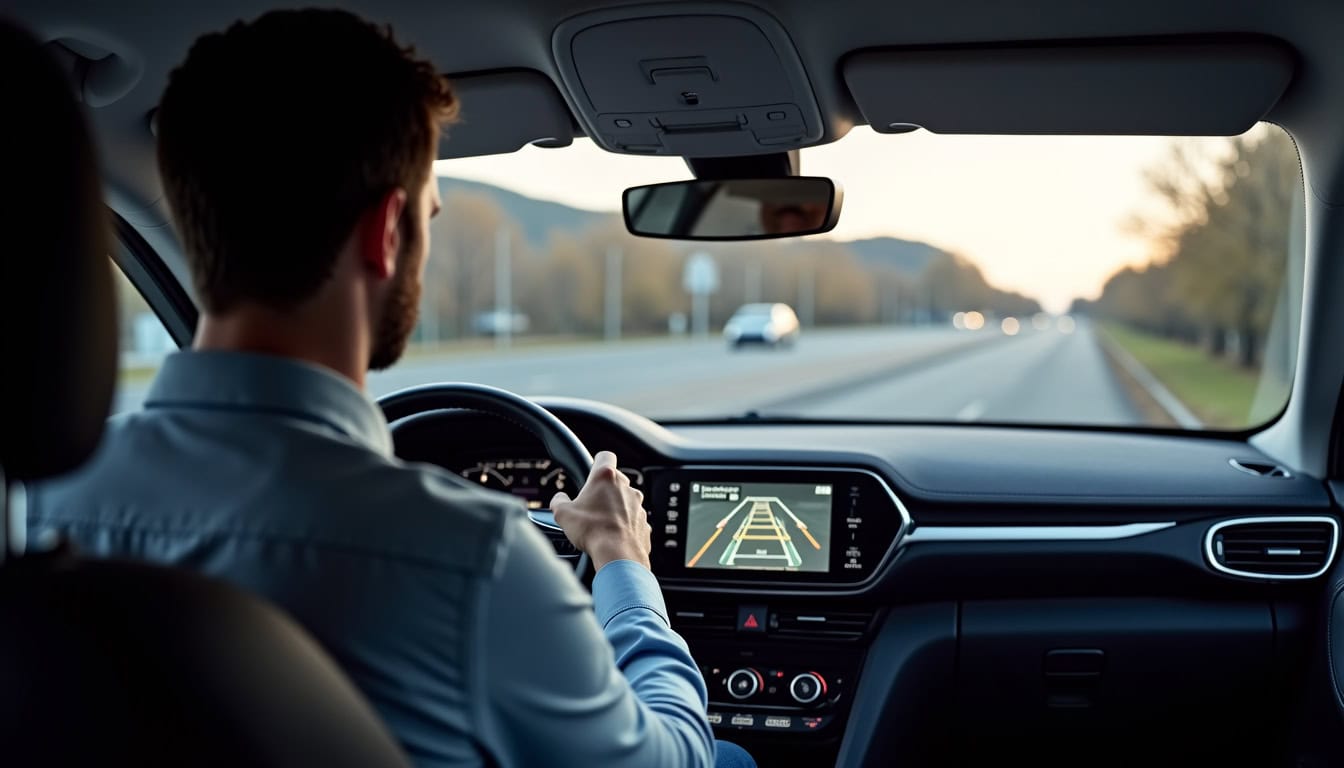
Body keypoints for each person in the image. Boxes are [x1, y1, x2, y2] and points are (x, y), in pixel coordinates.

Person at [26, 9, 753, 768]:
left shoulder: (35, 513)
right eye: (431, 217)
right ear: (388, 231)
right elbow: (675, 760)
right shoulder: (471, 560)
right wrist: (621, 563)